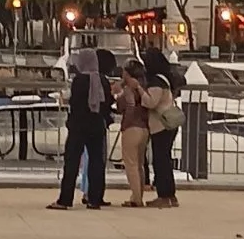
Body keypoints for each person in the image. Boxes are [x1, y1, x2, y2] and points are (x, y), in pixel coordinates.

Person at [50, 42, 108, 210]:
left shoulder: (79, 80)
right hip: (97, 125)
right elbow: (106, 103)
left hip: (79, 126)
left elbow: (75, 103)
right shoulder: (103, 80)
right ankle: (95, 199)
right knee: (97, 162)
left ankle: (65, 199)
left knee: (72, 162)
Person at [142, 47, 183, 206]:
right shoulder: (166, 78)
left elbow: (151, 102)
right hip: (168, 124)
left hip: (161, 125)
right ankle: (170, 195)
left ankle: (164, 195)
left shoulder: (156, 81)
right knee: (164, 159)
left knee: (161, 161)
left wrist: (140, 91)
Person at [115, 56, 152, 205]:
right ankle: (138, 195)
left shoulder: (129, 89)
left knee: (130, 164)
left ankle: (136, 198)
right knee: (140, 164)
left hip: (131, 128)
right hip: (144, 128)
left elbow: (123, 106)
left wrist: (118, 94)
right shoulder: (144, 87)